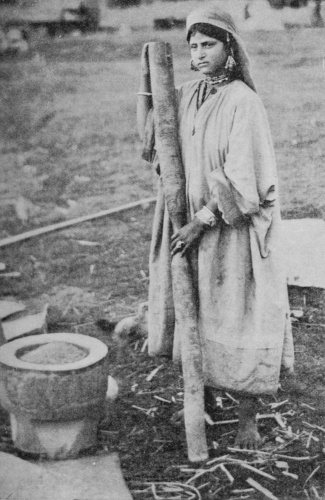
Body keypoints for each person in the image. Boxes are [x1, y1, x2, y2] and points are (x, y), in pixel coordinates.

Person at [138, 5, 294, 448]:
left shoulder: (244, 102)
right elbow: (151, 143)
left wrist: (200, 222)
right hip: (188, 224)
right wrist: (147, 81)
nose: (200, 53)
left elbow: (246, 183)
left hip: (230, 230)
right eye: (193, 46)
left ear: (230, 49)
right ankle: (201, 399)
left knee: (239, 313)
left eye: (209, 45)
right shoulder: (189, 94)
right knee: (198, 309)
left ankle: (248, 421)